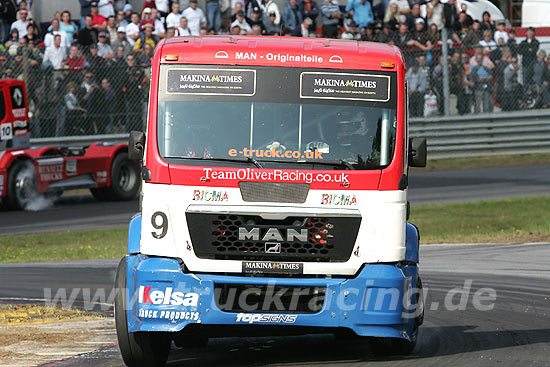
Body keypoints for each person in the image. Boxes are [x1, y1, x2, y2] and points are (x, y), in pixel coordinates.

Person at [519, 27, 539, 95]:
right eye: (528, 31)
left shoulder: (536, 42)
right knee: (525, 81)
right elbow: (519, 51)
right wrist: (528, 49)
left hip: (533, 64)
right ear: (526, 33)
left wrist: (525, 50)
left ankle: (533, 96)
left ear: (533, 33)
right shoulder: (523, 42)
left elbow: (533, 51)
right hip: (525, 64)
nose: (529, 33)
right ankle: (525, 98)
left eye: (531, 31)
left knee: (532, 81)